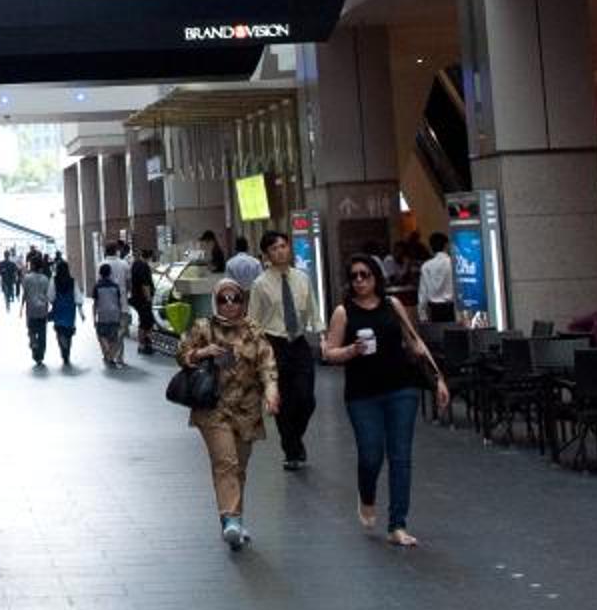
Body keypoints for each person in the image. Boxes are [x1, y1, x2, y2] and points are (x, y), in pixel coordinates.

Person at [323, 253, 449, 546]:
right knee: (370, 455)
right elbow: (329, 352)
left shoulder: (392, 305)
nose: (359, 281)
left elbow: (414, 342)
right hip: (362, 394)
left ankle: (397, 525)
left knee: (400, 457)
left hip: (401, 388)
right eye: (354, 276)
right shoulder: (344, 312)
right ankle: (366, 495)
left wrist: (438, 378)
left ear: (376, 277)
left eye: (365, 275)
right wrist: (351, 351)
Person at [175, 278, 278, 552]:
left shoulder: (253, 330)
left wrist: (271, 391)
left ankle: (235, 521)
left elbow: (267, 363)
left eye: (235, 299)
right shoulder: (203, 327)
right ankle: (230, 519)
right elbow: (181, 354)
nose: (230, 305)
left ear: (243, 302)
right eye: (223, 299)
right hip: (213, 408)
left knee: (239, 467)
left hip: (247, 409)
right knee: (226, 462)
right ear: (215, 302)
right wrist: (201, 352)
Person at [247, 230, 319, 469]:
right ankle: (291, 451)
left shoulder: (302, 278)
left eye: (283, 246)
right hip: (273, 345)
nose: (280, 251)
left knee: (306, 399)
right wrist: (255, 353)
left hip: (298, 343)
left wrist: (323, 337)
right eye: (274, 248)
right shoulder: (260, 284)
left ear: (289, 248)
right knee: (283, 402)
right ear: (266, 255)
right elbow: (253, 321)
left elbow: (313, 310)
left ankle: (294, 439)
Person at [91, 261, 128, 367]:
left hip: (102, 314)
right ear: (110, 273)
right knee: (113, 336)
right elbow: (119, 302)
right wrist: (120, 315)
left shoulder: (97, 286)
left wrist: (94, 318)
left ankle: (107, 352)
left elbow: (95, 304)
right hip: (114, 313)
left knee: (101, 334)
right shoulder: (115, 286)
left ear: (100, 273)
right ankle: (110, 356)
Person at [417, 230, 457, 326]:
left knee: (438, 333)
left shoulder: (426, 266)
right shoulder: (453, 263)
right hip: (452, 308)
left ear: (431, 247)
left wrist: (422, 315)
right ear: (446, 245)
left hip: (434, 310)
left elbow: (423, 293)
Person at [20, 251, 53, 366]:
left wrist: (21, 307)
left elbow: (25, 293)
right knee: (42, 332)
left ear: (33, 266)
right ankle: (40, 355)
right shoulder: (45, 279)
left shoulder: (27, 278)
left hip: (31, 309)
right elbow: (48, 295)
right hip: (43, 309)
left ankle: (33, 342)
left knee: (31, 329)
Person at [50, 255, 79, 366]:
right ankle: (67, 353)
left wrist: (53, 302)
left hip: (58, 308)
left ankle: (63, 351)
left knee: (59, 330)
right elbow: (77, 296)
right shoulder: (72, 281)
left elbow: (50, 296)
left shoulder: (54, 280)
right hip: (70, 309)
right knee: (68, 332)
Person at [128, 246, 155, 350]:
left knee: (144, 321)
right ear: (149, 257)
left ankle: (144, 343)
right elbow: (145, 285)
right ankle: (144, 344)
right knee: (146, 322)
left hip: (136, 297)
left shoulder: (136, 264)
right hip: (143, 299)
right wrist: (148, 298)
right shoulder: (144, 267)